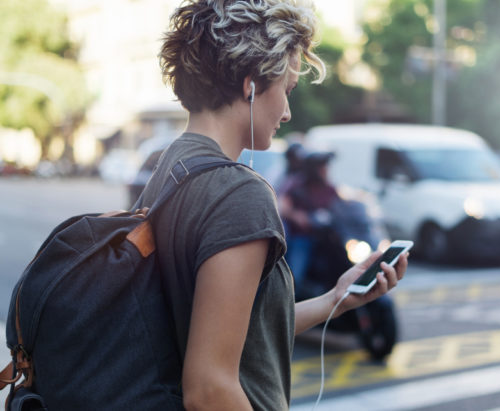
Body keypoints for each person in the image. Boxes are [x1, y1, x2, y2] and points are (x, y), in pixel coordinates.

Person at [138, 0, 409, 409]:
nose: (286, 112)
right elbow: (209, 389)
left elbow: (235, 330)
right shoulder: (239, 194)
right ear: (251, 85)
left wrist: (336, 299)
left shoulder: (171, 168)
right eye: (287, 89)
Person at [278, 151, 338, 286]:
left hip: (326, 238)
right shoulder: (297, 184)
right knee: (295, 276)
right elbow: (282, 206)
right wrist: (297, 216)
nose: (325, 170)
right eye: (322, 167)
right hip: (303, 236)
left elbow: (342, 205)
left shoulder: (329, 187)